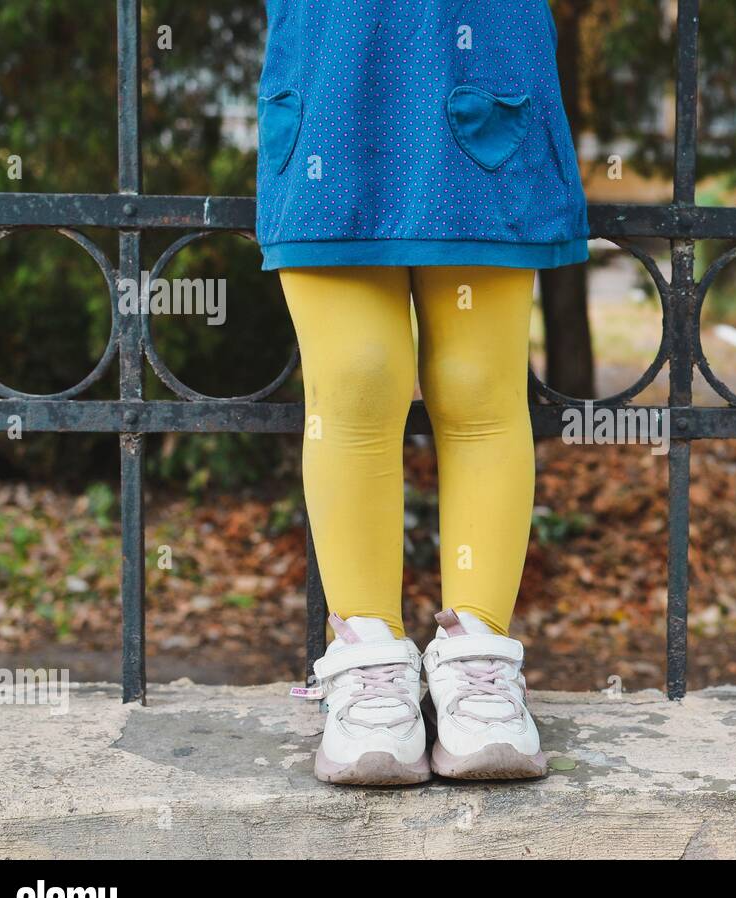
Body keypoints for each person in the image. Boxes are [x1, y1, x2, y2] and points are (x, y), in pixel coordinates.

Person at [255, 0, 588, 784]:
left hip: (479, 79)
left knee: (479, 388)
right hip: (332, 85)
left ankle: (479, 669)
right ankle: (369, 668)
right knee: (353, 383)